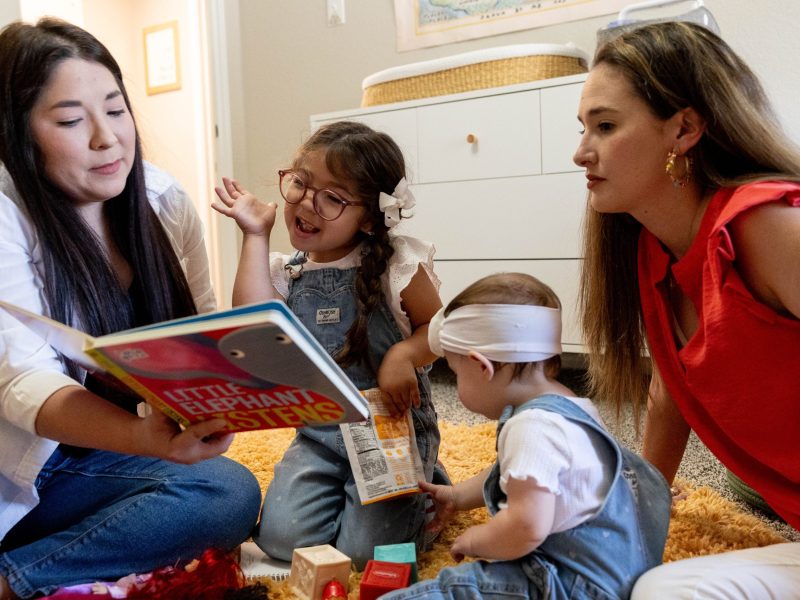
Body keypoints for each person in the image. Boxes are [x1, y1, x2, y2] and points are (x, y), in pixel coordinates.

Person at [0, 19, 261, 600]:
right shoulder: (6, 216)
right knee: (223, 493)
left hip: (106, 454)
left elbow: (204, 330)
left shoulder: (163, 201)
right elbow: (21, 385)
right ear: (17, 134)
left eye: (116, 111)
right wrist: (146, 442)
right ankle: (16, 579)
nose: (107, 139)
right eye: (71, 121)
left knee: (226, 491)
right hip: (29, 459)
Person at [573, 21, 800, 599]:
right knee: (656, 587)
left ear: (685, 128)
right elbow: (671, 390)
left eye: (605, 126)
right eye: (584, 128)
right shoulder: (653, 248)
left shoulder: (769, 226)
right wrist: (638, 516)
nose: (581, 152)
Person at [212, 120, 445, 567]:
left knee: (363, 554)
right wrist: (254, 236)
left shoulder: (398, 264)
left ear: (372, 217)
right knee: (282, 542)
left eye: (333, 198)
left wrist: (404, 353)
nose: (305, 203)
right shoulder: (288, 271)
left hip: (388, 433)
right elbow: (252, 327)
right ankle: (364, 494)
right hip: (319, 435)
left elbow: (440, 331)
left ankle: (427, 483)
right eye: (300, 183)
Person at [381, 272, 671, 600]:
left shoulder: (530, 429)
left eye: (456, 370)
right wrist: (458, 496)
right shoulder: (571, 408)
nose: (457, 382)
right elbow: (519, 474)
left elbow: (526, 526)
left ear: (481, 367)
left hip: (569, 584)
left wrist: (477, 539)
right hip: (621, 573)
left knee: (449, 590)